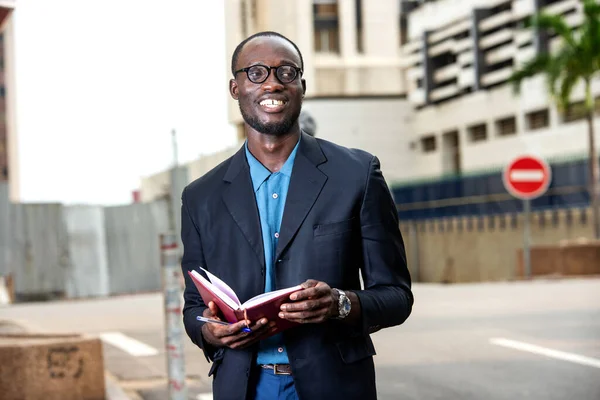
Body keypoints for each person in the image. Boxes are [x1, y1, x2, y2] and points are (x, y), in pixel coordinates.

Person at [180, 31, 413, 400]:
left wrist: (340, 303)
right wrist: (209, 331)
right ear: (235, 87)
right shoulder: (200, 197)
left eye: (286, 72)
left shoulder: (357, 174)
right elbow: (194, 308)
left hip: (334, 386)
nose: (272, 82)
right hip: (243, 387)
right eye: (255, 72)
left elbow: (397, 296)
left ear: (302, 85)